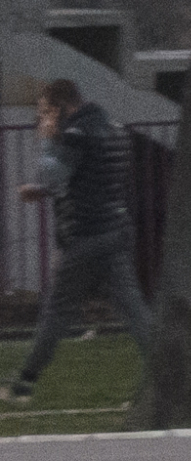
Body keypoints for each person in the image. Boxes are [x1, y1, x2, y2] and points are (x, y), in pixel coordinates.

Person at [9, 79, 151, 402]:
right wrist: (45, 190)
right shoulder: (112, 128)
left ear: (59, 108)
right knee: (134, 310)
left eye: (45, 112)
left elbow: (54, 174)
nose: (42, 119)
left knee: (57, 311)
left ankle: (24, 384)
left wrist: (47, 142)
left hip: (85, 237)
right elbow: (90, 177)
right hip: (115, 229)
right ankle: (163, 377)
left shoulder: (75, 134)